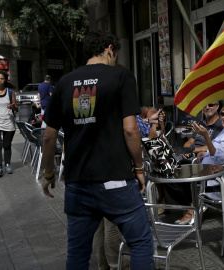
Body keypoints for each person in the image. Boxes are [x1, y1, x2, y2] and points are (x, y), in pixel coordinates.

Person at [41, 29, 153, 270]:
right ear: (110, 48)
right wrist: (139, 167)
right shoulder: (121, 77)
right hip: (116, 180)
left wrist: (48, 173)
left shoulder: (64, 82)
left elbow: (49, 137)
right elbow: (131, 129)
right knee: (141, 242)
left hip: (78, 182)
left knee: (78, 253)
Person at [165, 103, 224, 225]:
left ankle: (192, 208)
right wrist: (206, 152)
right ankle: (193, 206)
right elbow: (217, 151)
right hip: (208, 168)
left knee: (173, 178)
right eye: (223, 114)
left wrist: (206, 137)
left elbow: (220, 159)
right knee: (173, 171)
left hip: (214, 177)